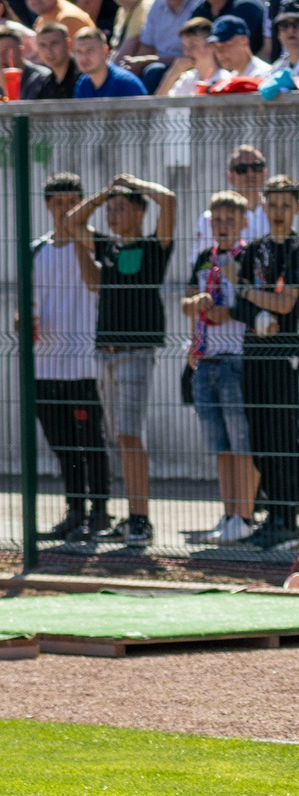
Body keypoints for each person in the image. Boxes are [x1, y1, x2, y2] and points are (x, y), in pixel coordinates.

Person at [69, 176, 177, 548]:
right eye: (110, 210)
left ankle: (142, 521)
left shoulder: (154, 247)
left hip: (136, 352)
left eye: (121, 208)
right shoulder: (108, 247)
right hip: (106, 354)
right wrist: (103, 195)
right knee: (119, 437)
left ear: (140, 211)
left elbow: (171, 201)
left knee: (130, 434)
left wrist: (134, 184)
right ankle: (132, 516)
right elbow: (72, 223)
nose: (113, 215)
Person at [28, 174, 111, 544]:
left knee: (92, 440)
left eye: (73, 202)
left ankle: (100, 511)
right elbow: (26, 303)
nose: (66, 209)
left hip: (85, 363)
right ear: (47, 205)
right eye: (59, 202)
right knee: (62, 445)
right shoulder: (35, 250)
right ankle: (74, 510)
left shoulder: (96, 244)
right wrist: (22, 320)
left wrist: (80, 238)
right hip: (46, 364)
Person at [185, 192, 256, 544]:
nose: (223, 225)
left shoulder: (250, 256)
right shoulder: (202, 258)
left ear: (243, 222)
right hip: (207, 358)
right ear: (209, 222)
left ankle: (245, 515)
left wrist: (229, 310)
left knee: (242, 441)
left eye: (231, 220)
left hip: (235, 358)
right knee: (220, 445)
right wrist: (194, 304)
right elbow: (186, 301)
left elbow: (252, 299)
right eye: (218, 220)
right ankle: (228, 514)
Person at [236, 178, 299, 550]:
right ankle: (272, 513)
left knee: (282, 434)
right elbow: (240, 301)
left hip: (285, 356)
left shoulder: (296, 249)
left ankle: (285, 518)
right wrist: (255, 309)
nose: (278, 212)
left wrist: (248, 294)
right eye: (272, 205)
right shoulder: (254, 250)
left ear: (294, 209)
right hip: (254, 354)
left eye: (285, 206)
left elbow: (287, 303)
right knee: (258, 434)